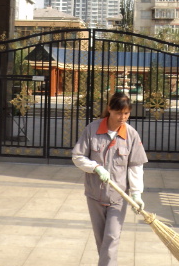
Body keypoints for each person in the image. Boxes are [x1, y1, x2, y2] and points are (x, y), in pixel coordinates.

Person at [72, 92, 148, 266]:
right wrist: (95, 167)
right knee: (102, 241)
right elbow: (77, 156)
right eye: (119, 113)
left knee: (112, 238)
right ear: (109, 109)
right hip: (94, 195)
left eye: (126, 113)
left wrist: (136, 194)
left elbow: (136, 166)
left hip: (118, 197)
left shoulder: (131, 135)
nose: (123, 117)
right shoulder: (92, 129)